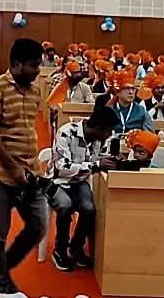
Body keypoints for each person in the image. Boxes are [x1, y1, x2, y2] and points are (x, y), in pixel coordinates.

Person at [0, 38, 46, 295]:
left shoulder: (35, 91)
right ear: (17, 64)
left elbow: (27, 130)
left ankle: (2, 269)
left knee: (38, 226)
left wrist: (28, 169)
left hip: (31, 173)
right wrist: (14, 168)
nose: (38, 70)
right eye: (33, 65)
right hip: (0, 175)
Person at [49, 106, 117, 270]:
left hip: (80, 182)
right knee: (65, 206)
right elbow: (62, 167)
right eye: (108, 131)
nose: (109, 135)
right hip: (57, 181)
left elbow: (100, 159)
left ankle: (76, 247)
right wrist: (96, 165)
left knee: (89, 210)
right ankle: (59, 250)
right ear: (99, 128)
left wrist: (111, 160)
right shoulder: (66, 132)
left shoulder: (99, 140)